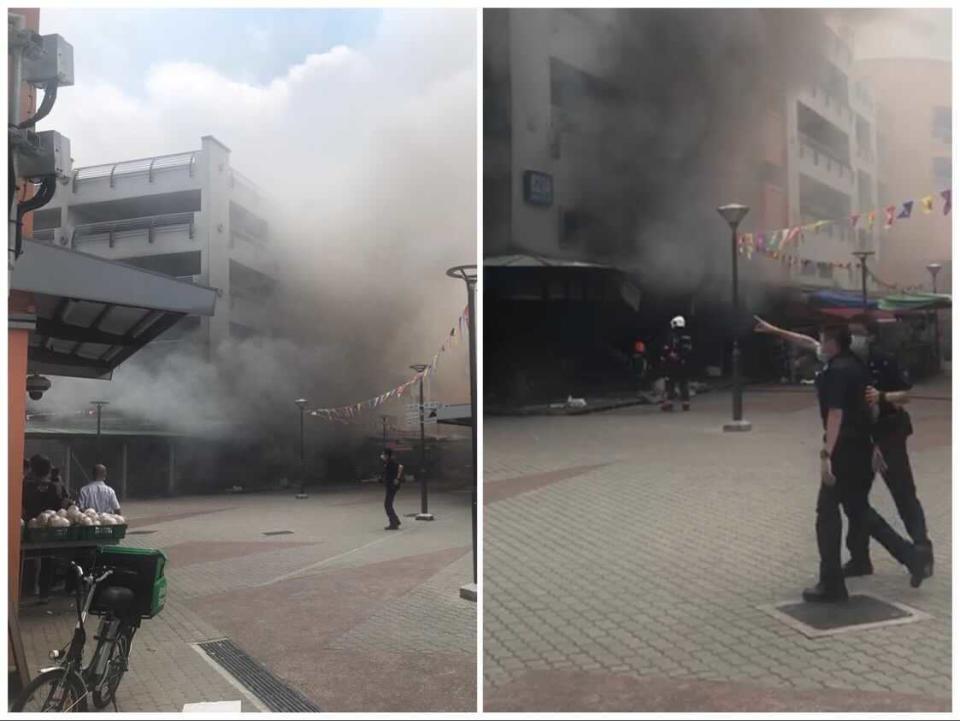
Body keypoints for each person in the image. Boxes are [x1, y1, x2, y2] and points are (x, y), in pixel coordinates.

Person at [755, 321, 927, 600]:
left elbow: (836, 415)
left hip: (844, 451)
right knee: (859, 510)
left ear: (833, 343)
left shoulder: (837, 371)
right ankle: (911, 556)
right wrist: (776, 331)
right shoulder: (856, 366)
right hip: (861, 449)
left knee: (827, 512)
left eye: (823, 339)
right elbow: (867, 408)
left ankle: (832, 582)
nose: (819, 343)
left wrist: (826, 455)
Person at [847, 314, 934, 580]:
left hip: (890, 433)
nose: (853, 338)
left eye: (857, 333)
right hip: (863, 436)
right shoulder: (850, 360)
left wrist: (882, 396)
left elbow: (906, 394)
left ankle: (922, 550)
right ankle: (859, 557)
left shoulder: (884, 359)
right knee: (855, 497)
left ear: (870, 335)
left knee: (902, 491)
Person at [22, 454, 68, 603]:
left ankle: (27, 590)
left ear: (33, 470)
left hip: (30, 528)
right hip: (51, 528)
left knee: (28, 559)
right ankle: (44, 593)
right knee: (48, 559)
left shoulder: (26, 485)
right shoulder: (56, 485)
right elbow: (65, 502)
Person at [660, 316, 693, 411]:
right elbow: (689, 350)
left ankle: (669, 402)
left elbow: (667, 348)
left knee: (670, 382)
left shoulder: (672, 335)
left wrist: (669, 355)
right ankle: (686, 403)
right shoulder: (687, 336)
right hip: (684, 363)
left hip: (672, 363)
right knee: (684, 382)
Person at [380, 448, 404, 530]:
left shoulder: (391, 462)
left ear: (387, 455)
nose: (382, 456)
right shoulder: (387, 462)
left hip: (392, 486)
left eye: (383, 454)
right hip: (390, 486)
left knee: (387, 505)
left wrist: (397, 479)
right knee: (388, 504)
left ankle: (394, 523)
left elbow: (400, 467)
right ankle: (395, 521)